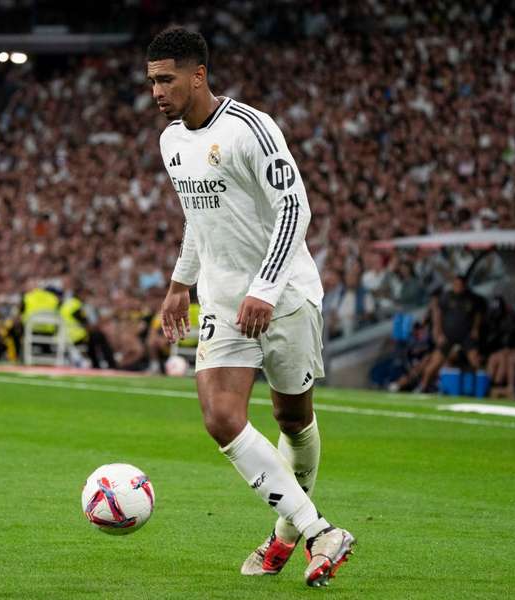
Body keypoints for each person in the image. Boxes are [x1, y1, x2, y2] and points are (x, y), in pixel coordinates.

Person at [146, 28, 353, 587]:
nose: (158, 91)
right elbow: (198, 215)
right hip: (222, 302)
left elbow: (295, 208)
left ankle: (287, 537)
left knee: (293, 417)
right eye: (152, 81)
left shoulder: (250, 129)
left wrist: (264, 285)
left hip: (284, 297)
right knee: (220, 417)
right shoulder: (171, 142)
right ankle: (319, 532)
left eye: (166, 79)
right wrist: (179, 282)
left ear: (198, 75)